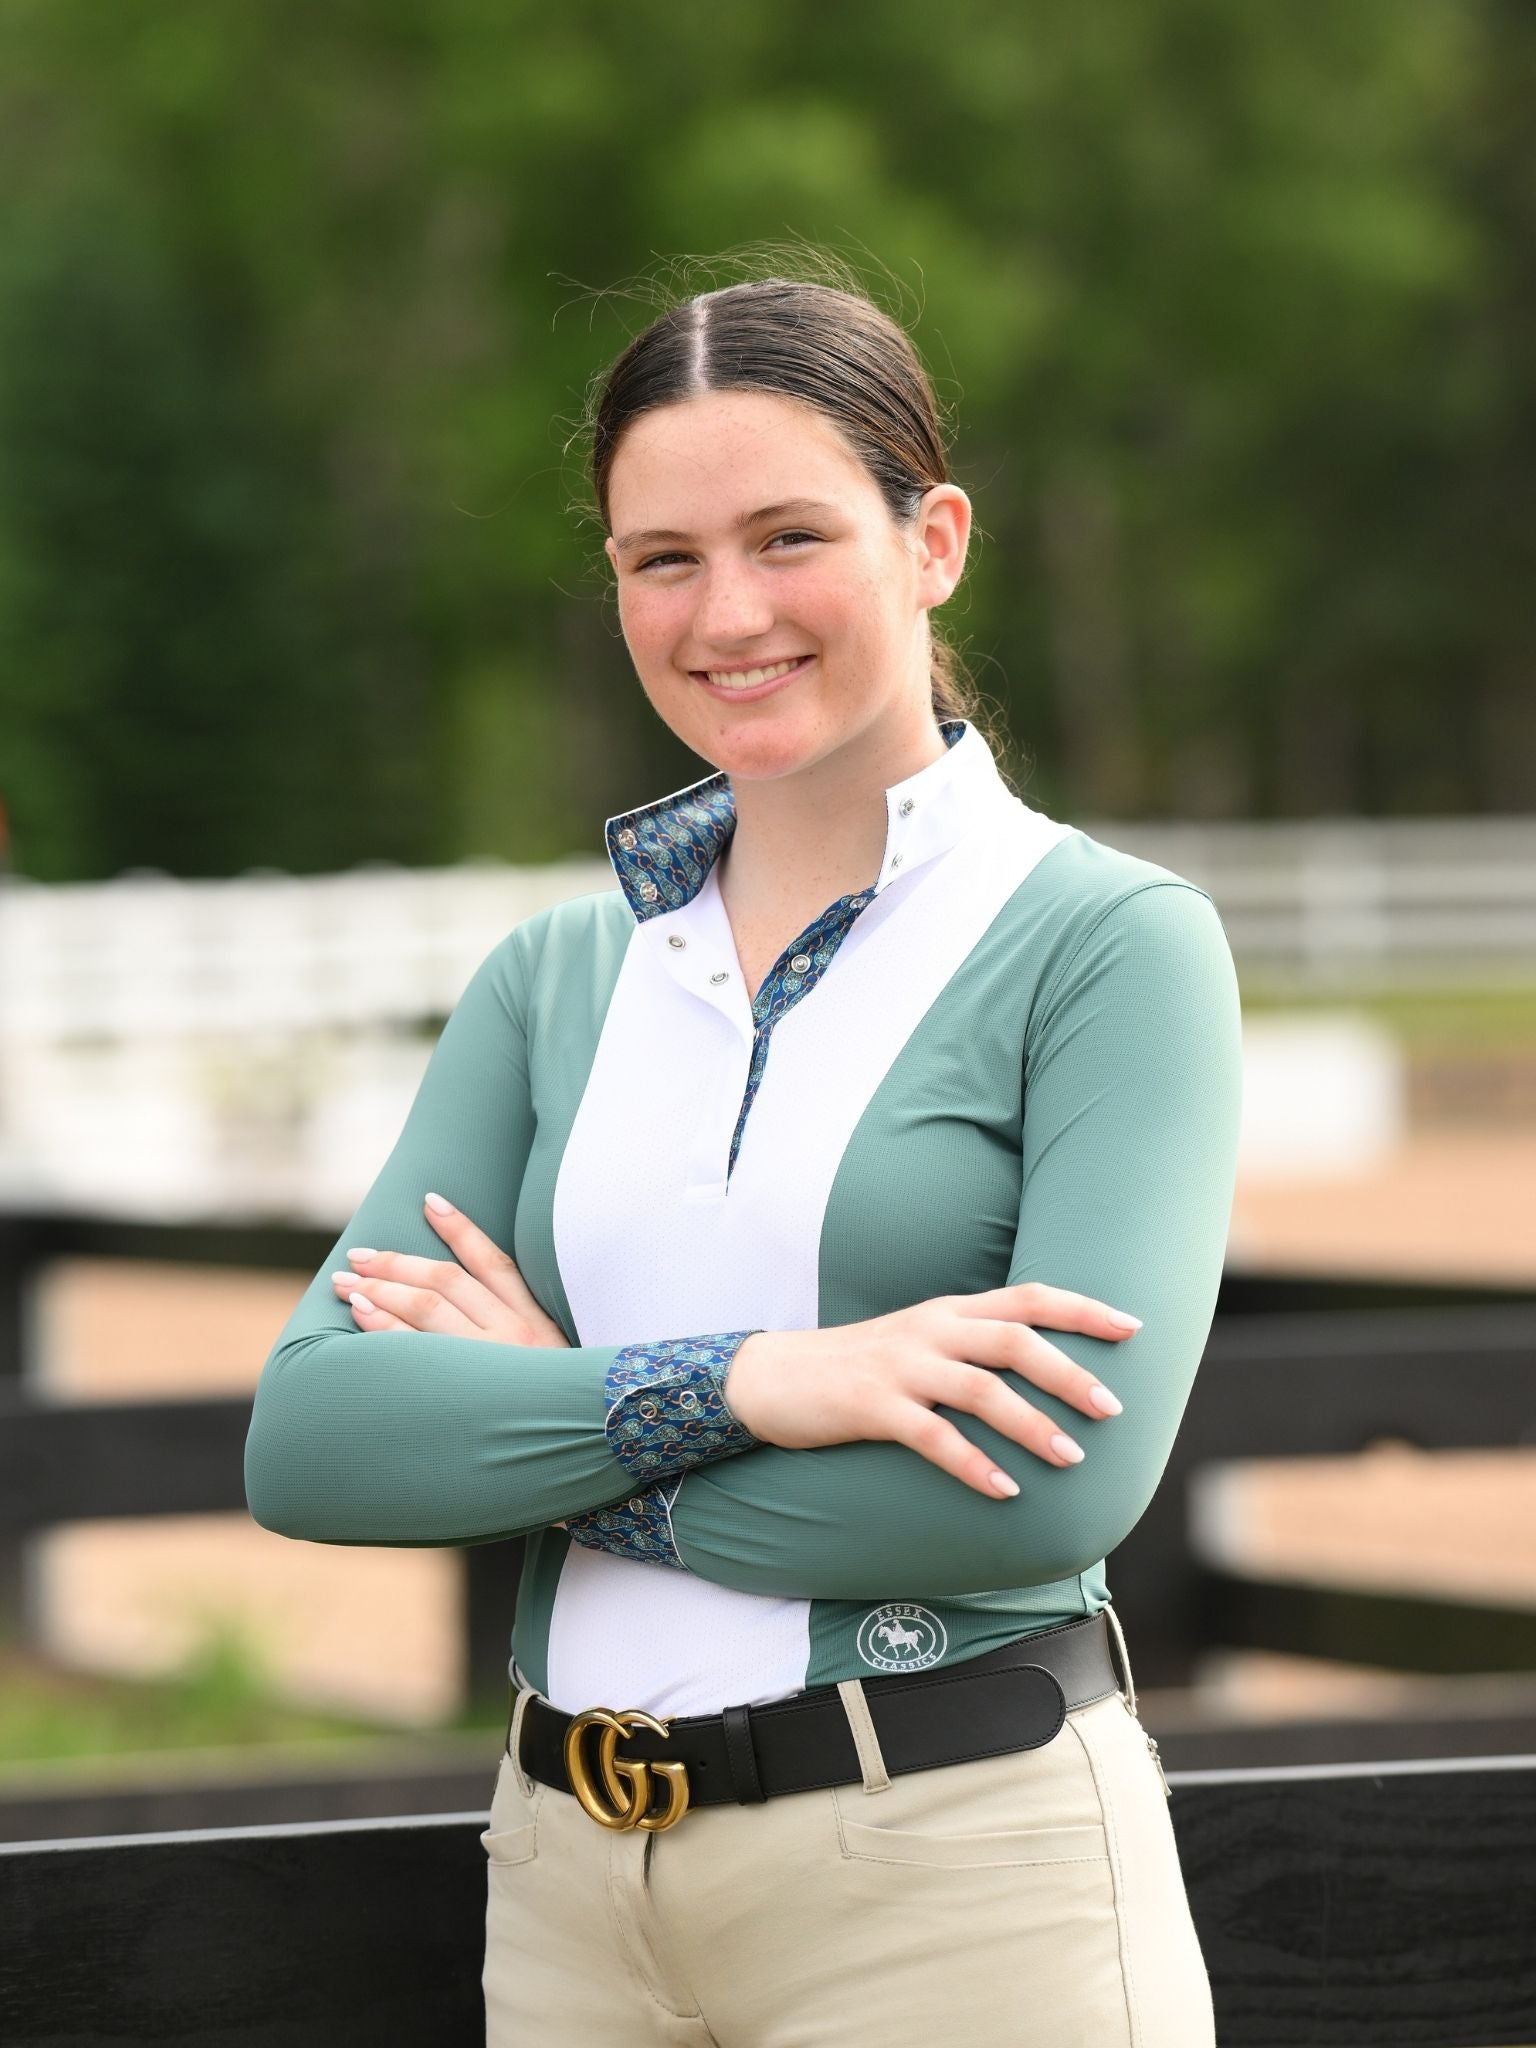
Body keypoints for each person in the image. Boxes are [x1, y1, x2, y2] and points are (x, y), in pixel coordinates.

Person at [244, 264, 1243, 2047]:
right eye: (662, 558)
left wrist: (542, 1439)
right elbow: (316, 1440)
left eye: (790, 536)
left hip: (953, 1882)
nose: (729, 614)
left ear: (930, 541)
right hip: (565, 1890)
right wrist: (768, 1381)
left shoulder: (1109, 944)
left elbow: (1053, 1490)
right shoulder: (555, 980)